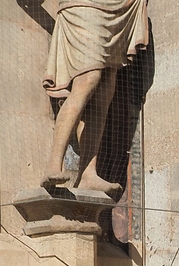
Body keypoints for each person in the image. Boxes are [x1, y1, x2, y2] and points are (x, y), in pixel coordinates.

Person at [41, 0, 149, 198]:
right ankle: (53, 163)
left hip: (118, 11)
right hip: (84, 6)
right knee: (88, 80)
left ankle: (88, 173)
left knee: (104, 93)